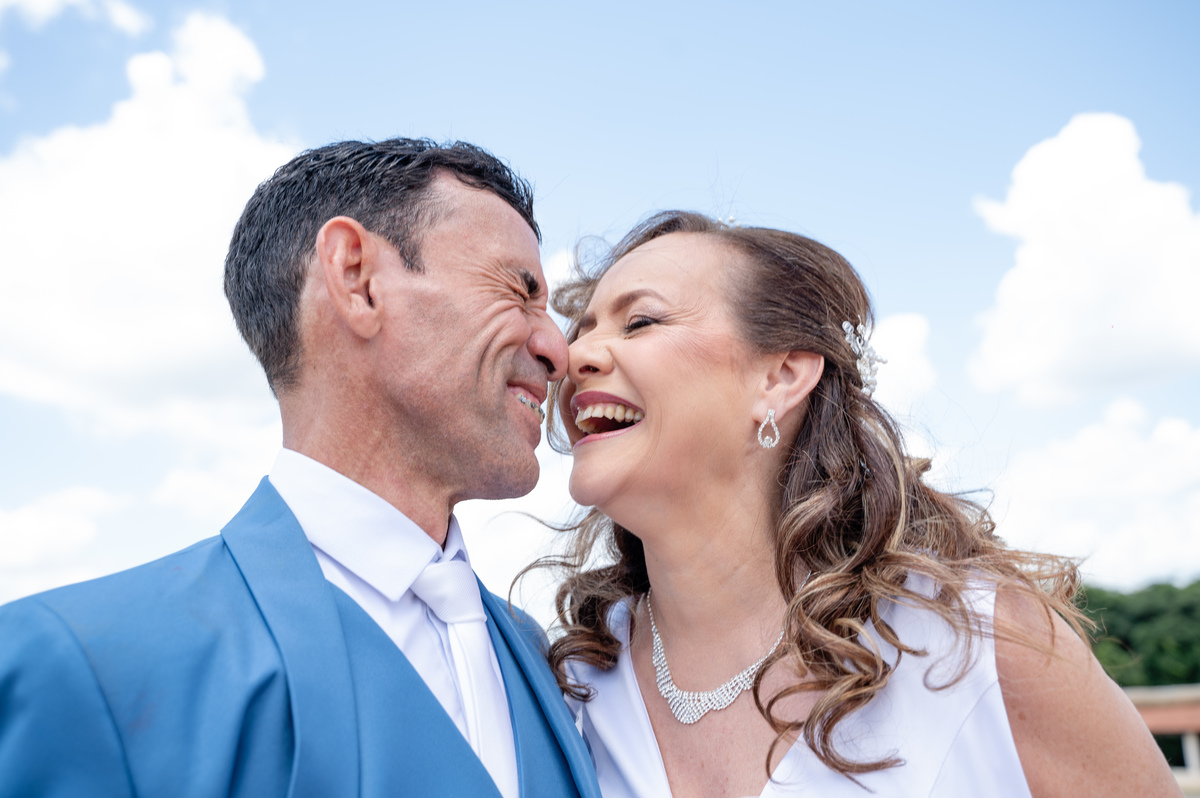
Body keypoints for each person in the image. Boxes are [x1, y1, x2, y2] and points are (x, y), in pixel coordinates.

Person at [0, 139, 601, 798]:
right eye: (519, 291)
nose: (557, 350)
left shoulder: (546, 663)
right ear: (357, 278)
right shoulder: (78, 666)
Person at [540, 211, 1180, 797]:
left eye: (641, 322)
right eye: (583, 330)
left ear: (781, 377)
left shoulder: (978, 645)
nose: (576, 358)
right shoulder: (570, 686)